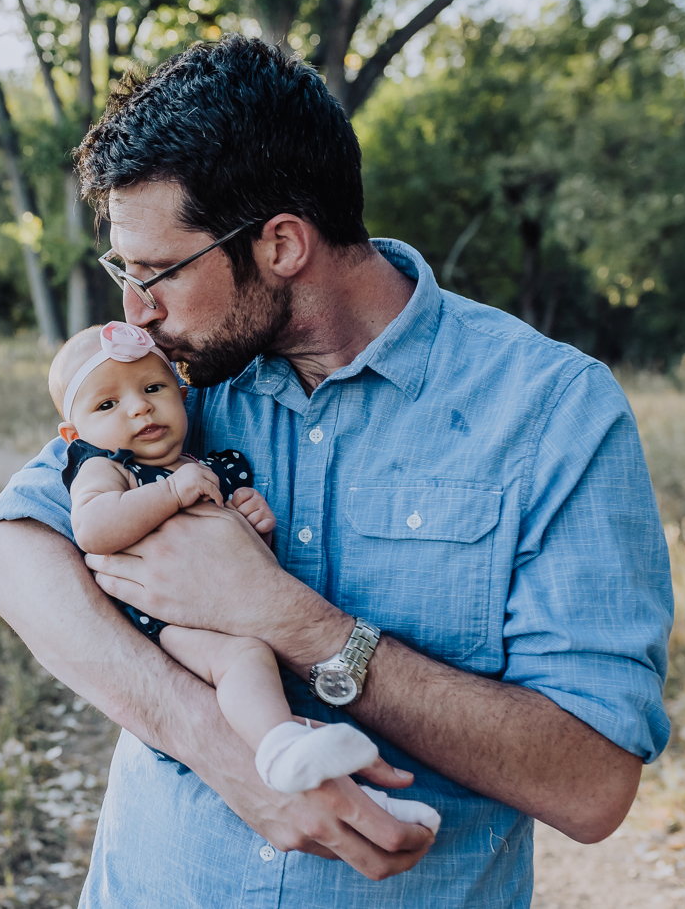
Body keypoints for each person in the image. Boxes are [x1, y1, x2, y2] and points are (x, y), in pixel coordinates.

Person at [0, 36, 671, 907]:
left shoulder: (553, 410)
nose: (134, 312)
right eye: (125, 270)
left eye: (157, 274)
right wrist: (233, 756)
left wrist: (292, 622)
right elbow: (9, 553)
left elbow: (593, 784)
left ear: (283, 246)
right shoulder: (172, 376)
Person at [51, 318, 441, 829]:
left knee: (267, 678)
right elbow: (94, 529)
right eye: (107, 404)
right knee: (244, 659)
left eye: (153, 388)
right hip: (167, 625)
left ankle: (368, 801)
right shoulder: (106, 467)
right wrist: (170, 493)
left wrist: (253, 523)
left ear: (183, 394)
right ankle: (280, 748)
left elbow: (242, 567)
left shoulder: (209, 465)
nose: (139, 407)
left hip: (224, 611)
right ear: (74, 433)